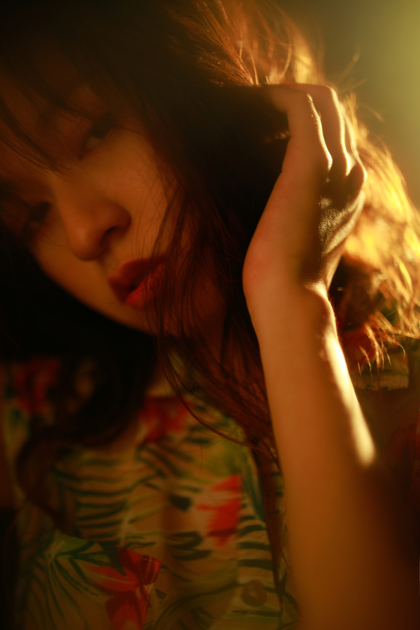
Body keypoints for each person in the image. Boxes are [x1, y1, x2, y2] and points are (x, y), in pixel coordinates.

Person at [0, 0, 419, 628]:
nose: (84, 234)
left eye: (95, 133)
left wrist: (292, 301)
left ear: (215, 89)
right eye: (33, 216)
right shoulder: (35, 426)